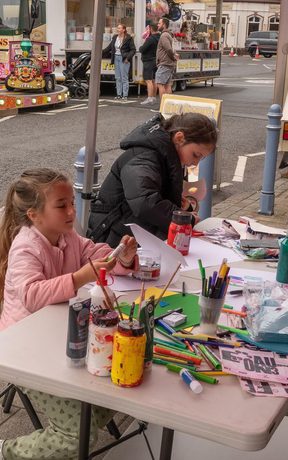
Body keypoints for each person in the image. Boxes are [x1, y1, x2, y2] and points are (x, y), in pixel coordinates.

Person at [0, 169, 137, 459]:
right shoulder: (26, 246)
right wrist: (79, 278)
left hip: (60, 335)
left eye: (72, 202)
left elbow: (93, 251)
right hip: (23, 349)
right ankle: (8, 451)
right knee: (78, 436)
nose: (72, 211)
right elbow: (32, 295)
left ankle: (85, 419)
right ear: (35, 215)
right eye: (62, 205)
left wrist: (119, 256)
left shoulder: (67, 235)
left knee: (121, 380)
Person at [87, 113, 218, 247]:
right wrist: (183, 219)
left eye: (200, 158)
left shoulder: (166, 155)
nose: (195, 163)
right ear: (179, 138)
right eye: (195, 155)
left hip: (128, 231)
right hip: (110, 237)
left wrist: (184, 207)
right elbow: (145, 203)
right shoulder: (145, 157)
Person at [103, 23, 136, 101]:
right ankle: (118, 94)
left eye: (119, 28)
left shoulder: (128, 38)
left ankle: (125, 95)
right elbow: (109, 48)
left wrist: (128, 58)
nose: (118, 30)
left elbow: (133, 50)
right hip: (116, 58)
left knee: (124, 77)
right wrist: (99, 52)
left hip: (124, 59)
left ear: (124, 30)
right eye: (117, 28)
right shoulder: (115, 37)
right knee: (118, 77)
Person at [155, 17, 178, 100]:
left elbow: (168, 48)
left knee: (160, 84)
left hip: (165, 63)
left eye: (159, 23)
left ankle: (163, 107)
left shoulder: (164, 35)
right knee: (167, 85)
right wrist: (173, 57)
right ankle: (169, 107)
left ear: (164, 25)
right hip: (169, 64)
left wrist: (173, 57)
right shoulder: (168, 34)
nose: (157, 25)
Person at [139, 22, 160, 105]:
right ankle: (154, 97)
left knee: (148, 80)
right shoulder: (159, 37)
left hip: (148, 60)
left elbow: (142, 49)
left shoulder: (150, 39)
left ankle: (149, 97)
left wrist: (141, 47)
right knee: (154, 80)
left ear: (151, 29)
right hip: (155, 60)